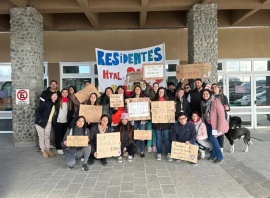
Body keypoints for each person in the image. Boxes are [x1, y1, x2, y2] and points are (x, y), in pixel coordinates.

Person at [201, 89, 229, 163]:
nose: (205, 95)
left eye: (207, 93)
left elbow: (221, 116)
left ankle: (220, 156)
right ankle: (213, 155)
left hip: (215, 125)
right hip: (208, 123)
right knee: (210, 140)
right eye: (203, 94)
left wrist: (219, 128)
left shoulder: (216, 102)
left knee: (212, 139)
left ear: (210, 94)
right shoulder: (204, 103)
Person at [34, 92, 58, 158]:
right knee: (42, 136)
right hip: (40, 123)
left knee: (47, 136)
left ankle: (48, 149)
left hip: (48, 123)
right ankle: (43, 150)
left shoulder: (55, 104)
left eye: (56, 95)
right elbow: (37, 111)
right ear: (50, 96)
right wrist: (40, 119)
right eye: (53, 95)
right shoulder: (46, 103)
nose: (54, 96)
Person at [152, 87, 172, 161]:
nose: (161, 93)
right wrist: (151, 110)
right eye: (159, 91)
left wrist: (173, 110)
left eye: (162, 92)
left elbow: (171, 111)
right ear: (157, 92)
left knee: (167, 138)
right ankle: (159, 152)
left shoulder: (168, 101)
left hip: (166, 122)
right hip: (157, 122)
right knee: (158, 138)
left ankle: (168, 152)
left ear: (164, 93)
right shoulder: (154, 101)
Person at [52, 88, 74, 154]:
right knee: (58, 135)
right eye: (63, 92)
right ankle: (58, 147)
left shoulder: (70, 101)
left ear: (68, 94)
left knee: (64, 135)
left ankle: (63, 146)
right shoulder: (58, 100)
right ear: (61, 93)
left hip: (66, 121)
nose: (65, 93)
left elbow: (71, 111)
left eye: (66, 92)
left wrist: (69, 119)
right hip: (58, 120)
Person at [211, 83, 230, 154]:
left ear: (219, 88)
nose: (214, 88)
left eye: (216, 87)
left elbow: (228, 107)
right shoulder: (211, 96)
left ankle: (221, 149)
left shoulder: (223, 97)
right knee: (214, 134)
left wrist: (227, 107)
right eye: (213, 87)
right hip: (213, 119)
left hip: (221, 118)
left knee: (220, 133)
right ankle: (216, 148)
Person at [130, 85, 147, 158]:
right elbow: (129, 109)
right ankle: (133, 151)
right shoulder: (131, 99)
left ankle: (142, 151)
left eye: (138, 89)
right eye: (136, 89)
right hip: (134, 120)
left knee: (141, 136)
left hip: (141, 121)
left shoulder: (144, 99)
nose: (137, 90)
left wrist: (144, 119)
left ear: (140, 90)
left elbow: (146, 110)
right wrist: (131, 120)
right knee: (133, 135)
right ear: (134, 90)